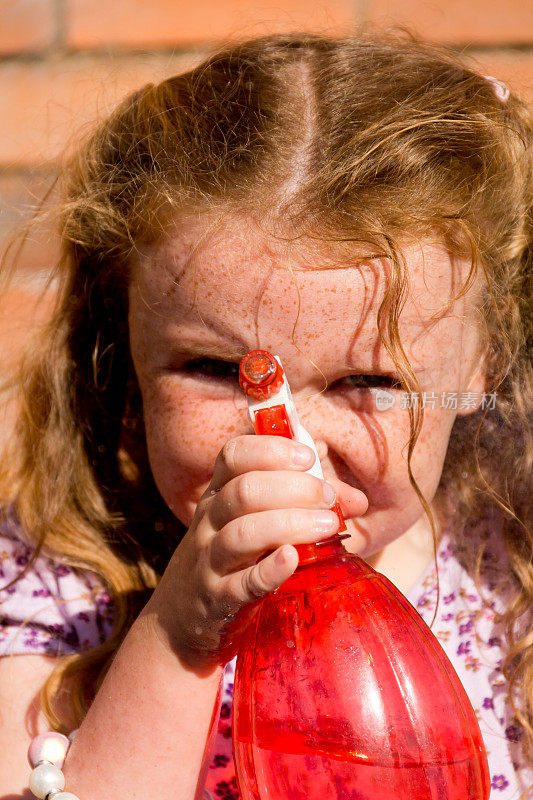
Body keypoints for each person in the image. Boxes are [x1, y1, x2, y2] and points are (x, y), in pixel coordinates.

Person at [0, 28, 531, 800]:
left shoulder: (508, 578)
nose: (292, 453)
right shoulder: (58, 588)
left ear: (476, 367)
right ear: (126, 352)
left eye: (367, 379)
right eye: (218, 370)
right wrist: (182, 633)